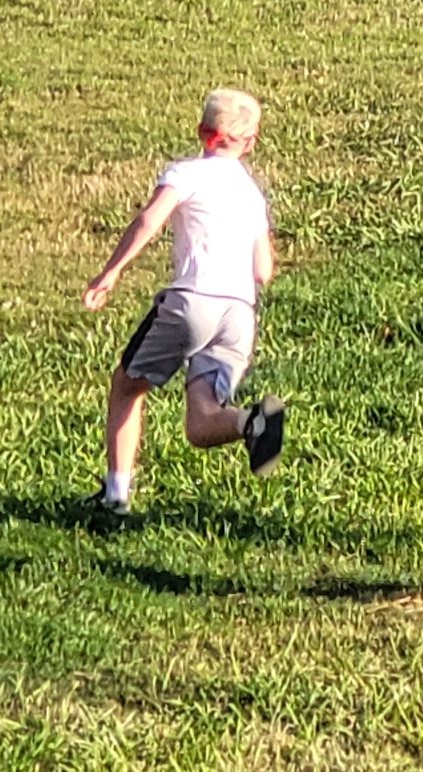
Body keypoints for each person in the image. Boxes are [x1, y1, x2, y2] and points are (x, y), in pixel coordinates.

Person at [80, 88, 291, 514]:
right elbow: (263, 271)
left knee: (127, 385)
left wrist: (111, 271)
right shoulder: (251, 193)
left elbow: (149, 221)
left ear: (202, 131)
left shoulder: (186, 174)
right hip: (239, 314)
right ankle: (250, 422)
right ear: (251, 142)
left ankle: (115, 496)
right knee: (201, 424)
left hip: (192, 300)